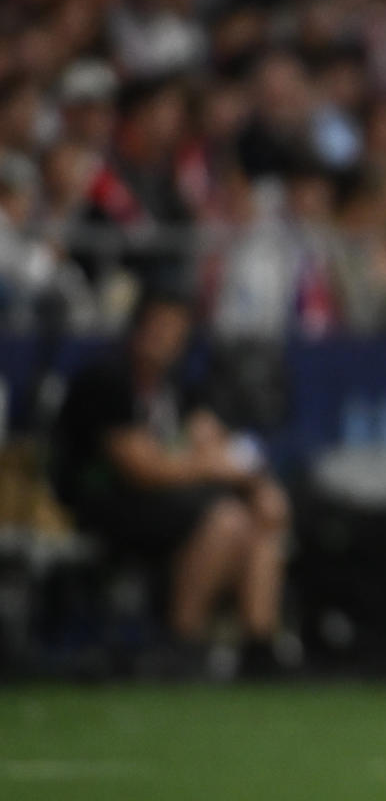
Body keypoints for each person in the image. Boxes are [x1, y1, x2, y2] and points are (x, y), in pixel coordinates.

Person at [50, 286, 297, 677]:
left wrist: (258, 486)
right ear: (137, 329)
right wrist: (208, 465)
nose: (165, 340)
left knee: (263, 518)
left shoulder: (179, 388)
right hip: (107, 501)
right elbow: (141, 469)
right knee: (225, 520)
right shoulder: (107, 382)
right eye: (158, 328)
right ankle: (183, 640)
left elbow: (221, 444)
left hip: (172, 502)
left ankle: (260, 645)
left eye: (175, 331)